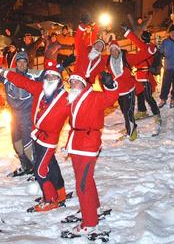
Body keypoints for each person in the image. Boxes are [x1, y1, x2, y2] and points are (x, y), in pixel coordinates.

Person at [0, 58, 71, 212]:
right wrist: (5, 73)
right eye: (48, 77)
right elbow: (19, 80)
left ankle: (50, 199)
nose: (50, 79)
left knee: (40, 170)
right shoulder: (39, 88)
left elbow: (83, 111)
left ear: (59, 80)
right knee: (50, 164)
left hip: (49, 140)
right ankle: (60, 193)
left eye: (54, 77)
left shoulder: (66, 98)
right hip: (36, 135)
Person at [61, 70, 119, 239]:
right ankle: (94, 208)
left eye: (77, 82)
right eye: (71, 82)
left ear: (84, 84)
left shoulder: (94, 97)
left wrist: (109, 84)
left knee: (82, 184)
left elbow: (111, 97)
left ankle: (90, 223)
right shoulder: (71, 97)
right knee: (85, 179)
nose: (73, 85)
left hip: (88, 142)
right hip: (76, 142)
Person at [124, 27, 161, 131]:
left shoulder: (151, 48)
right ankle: (142, 110)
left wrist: (129, 33)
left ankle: (156, 113)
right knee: (140, 94)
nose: (143, 39)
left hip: (145, 76)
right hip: (139, 75)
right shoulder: (143, 47)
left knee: (148, 97)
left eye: (144, 37)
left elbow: (138, 44)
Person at [105, 38, 140, 141]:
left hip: (129, 89)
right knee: (124, 111)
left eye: (115, 49)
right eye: (111, 50)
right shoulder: (108, 60)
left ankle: (132, 131)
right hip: (119, 92)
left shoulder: (126, 58)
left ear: (119, 50)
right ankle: (129, 127)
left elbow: (142, 55)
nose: (114, 52)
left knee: (128, 111)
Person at [75, 17, 106, 85]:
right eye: (87, 28)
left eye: (89, 27)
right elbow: (78, 39)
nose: (88, 29)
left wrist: (95, 23)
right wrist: (82, 26)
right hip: (84, 52)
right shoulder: (84, 35)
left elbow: (96, 30)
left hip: (89, 83)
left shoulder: (92, 35)